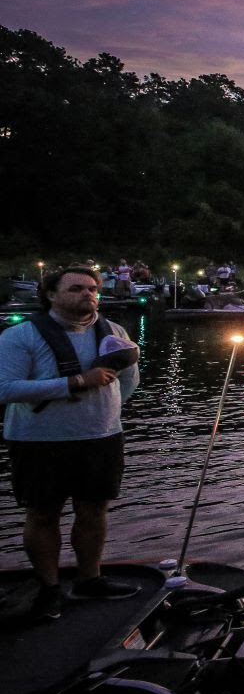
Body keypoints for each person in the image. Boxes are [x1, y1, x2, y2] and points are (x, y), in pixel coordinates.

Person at [1, 266, 143, 621]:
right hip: (40, 440)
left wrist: (107, 413)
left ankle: (90, 579)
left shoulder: (114, 332)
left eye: (92, 289)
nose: (87, 294)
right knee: (43, 513)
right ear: (51, 294)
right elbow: (5, 389)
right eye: (76, 288)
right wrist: (75, 382)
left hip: (101, 437)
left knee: (94, 510)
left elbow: (129, 380)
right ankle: (48, 589)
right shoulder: (21, 336)